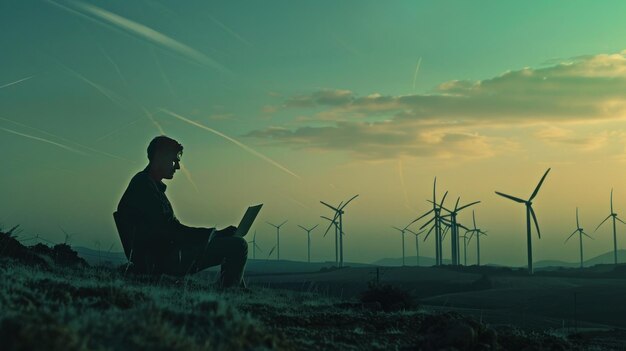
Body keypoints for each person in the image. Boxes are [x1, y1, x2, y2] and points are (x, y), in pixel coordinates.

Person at [116, 135, 248, 289]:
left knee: (233, 243)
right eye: (174, 160)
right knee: (238, 246)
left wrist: (214, 235)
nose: (178, 166)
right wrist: (212, 235)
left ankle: (234, 288)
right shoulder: (144, 187)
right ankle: (229, 292)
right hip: (162, 259)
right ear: (160, 158)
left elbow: (169, 228)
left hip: (163, 254)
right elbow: (171, 230)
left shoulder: (148, 185)